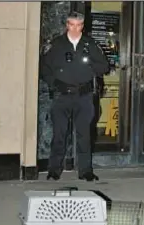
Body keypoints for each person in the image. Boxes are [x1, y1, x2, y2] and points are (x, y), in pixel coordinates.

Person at [40, 12, 109, 181]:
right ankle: (54, 170)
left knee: (84, 135)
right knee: (59, 134)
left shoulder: (90, 44)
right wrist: (54, 84)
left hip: (84, 96)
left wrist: (90, 64)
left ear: (82, 26)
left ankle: (86, 171)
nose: (75, 28)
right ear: (67, 25)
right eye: (72, 24)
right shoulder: (56, 44)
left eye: (79, 25)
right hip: (61, 95)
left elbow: (104, 67)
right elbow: (43, 68)